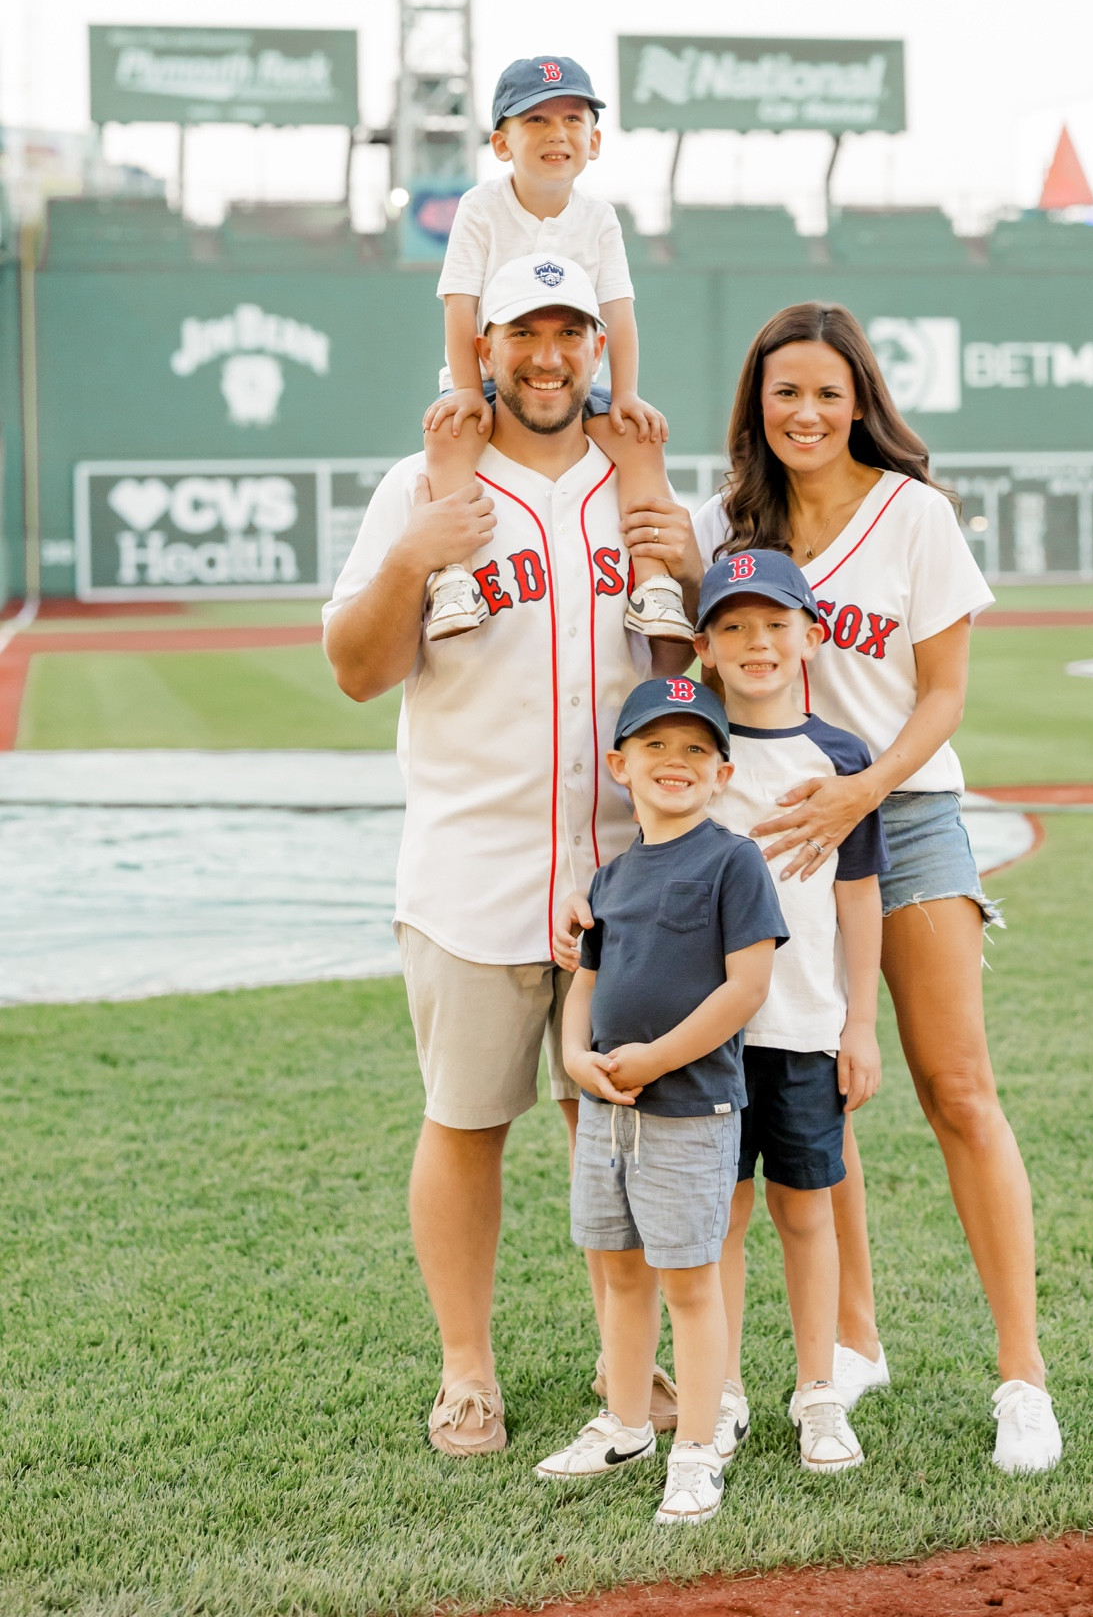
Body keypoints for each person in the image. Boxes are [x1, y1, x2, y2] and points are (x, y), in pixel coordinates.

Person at [322, 256, 700, 1461]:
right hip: (471, 867)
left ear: (597, 346)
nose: (546, 354)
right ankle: (466, 1370)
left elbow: (686, 684)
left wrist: (683, 564)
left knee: (620, 1122)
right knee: (465, 1119)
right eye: (522, 332)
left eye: (568, 331)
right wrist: (407, 557)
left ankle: (621, 1352)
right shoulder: (422, 484)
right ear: (483, 348)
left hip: (626, 872)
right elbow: (357, 667)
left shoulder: (634, 488)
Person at [692, 301, 1063, 1475]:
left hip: (900, 810)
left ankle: (1022, 1375)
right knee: (814, 1079)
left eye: (827, 392)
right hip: (779, 822)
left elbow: (944, 697)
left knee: (957, 1085)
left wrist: (865, 791)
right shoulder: (730, 523)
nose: (805, 413)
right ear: (757, 402)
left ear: (861, 402)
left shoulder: (913, 514)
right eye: (783, 391)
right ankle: (852, 1337)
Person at [540, 677, 785, 1527]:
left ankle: (699, 1446)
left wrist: (658, 1057)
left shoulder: (732, 860)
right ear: (620, 765)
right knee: (617, 1272)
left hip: (688, 1111)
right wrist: (578, 1058)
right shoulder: (610, 877)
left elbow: (745, 987)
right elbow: (588, 980)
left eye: (694, 750)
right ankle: (626, 1423)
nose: (673, 763)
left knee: (689, 1281)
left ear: (722, 772)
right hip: (610, 1111)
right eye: (654, 747)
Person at [695, 549, 886, 1476]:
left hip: (808, 1026)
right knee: (720, 1218)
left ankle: (818, 1389)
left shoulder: (842, 760)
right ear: (705, 645)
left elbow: (858, 897)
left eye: (775, 624)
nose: (756, 642)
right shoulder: (692, 748)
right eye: (732, 625)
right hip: (708, 1040)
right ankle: (720, 1389)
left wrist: (860, 1024)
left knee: (806, 1214)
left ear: (811, 634)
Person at [419, 55, 691, 646]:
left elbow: (618, 314)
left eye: (572, 118)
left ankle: (654, 588)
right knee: (453, 433)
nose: (556, 133)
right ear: (501, 142)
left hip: (569, 379)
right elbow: (459, 306)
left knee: (637, 436)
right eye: (535, 120)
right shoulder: (480, 207)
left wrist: (625, 395)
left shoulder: (598, 218)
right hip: (489, 371)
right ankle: (453, 578)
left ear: (593, 141)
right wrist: (468, 388)